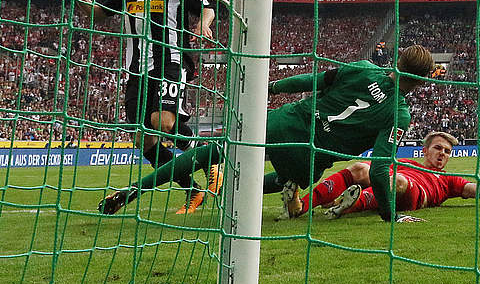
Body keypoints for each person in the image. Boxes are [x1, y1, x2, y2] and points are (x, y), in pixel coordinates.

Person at [97, 45, 437, 221]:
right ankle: (257, 188)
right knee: (289, 177)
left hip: (289, 119)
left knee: (214, 150)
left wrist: (270, 88)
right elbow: (378, 168)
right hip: (312, 153)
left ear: (398, 60)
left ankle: (133, 190)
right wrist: (390, 215)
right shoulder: (399, 114)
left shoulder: (364, 68)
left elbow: (312, 81)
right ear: (424, 80)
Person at [68, 0, 219, 214]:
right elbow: (100, 15)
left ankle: (210, 159)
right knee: (143, 138)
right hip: (137, 70)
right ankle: (193, 190)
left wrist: (203, 24)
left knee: (162, 122)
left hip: (171, 61)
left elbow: (207, 7)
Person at [300, 131, 480, 221]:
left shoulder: (449, 179)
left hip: (415, 195)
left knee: (398, 181)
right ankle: (302, 206)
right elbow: (375, 172)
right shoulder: (404, 163)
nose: (442, 153)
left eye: (447, 151)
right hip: (391, 183)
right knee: (361, 168)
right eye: (438, 148)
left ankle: (346, 205)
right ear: (425, 151)